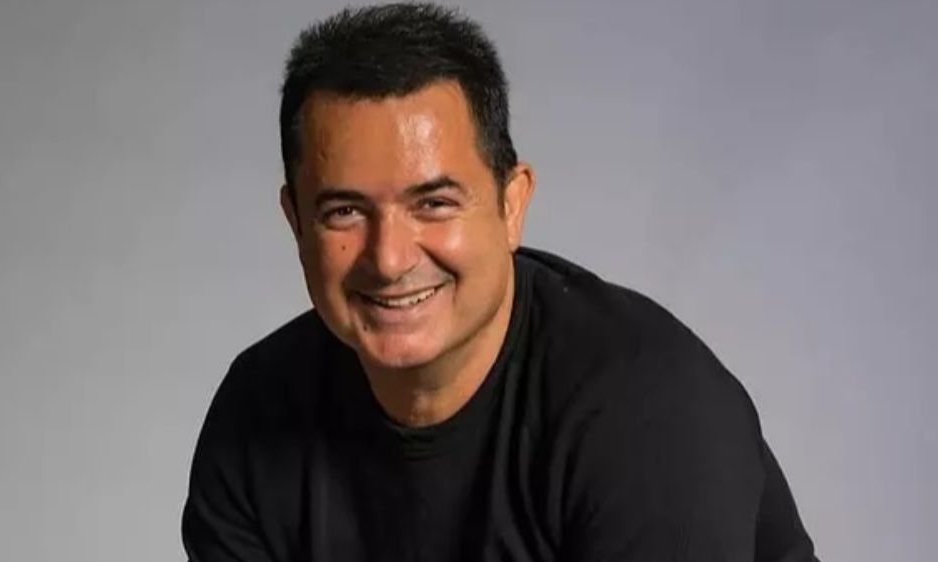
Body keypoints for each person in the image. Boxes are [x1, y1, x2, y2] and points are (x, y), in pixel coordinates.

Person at [181, 3, 819, 561]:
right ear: (296, 221)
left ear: (511, 206)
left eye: (434, 203)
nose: (390, 258)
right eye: (345, 211)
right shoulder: (254, 416)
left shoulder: (649, 411)